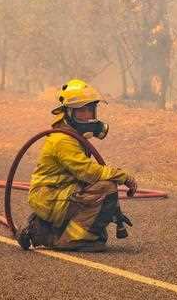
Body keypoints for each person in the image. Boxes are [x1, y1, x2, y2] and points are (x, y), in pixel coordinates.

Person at [17, 79, 137, 252]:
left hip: (57, 192)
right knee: (106, 188)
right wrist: (123, 176)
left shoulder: (72, 136)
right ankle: (65, 240)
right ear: (69, 113)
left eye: (91, 110)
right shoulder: (63, 140)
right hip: (49, 197)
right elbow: (88, 172)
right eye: (82, 111)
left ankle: (42, 228)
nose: (89, 116)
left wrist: (111, 210)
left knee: (98, 230)